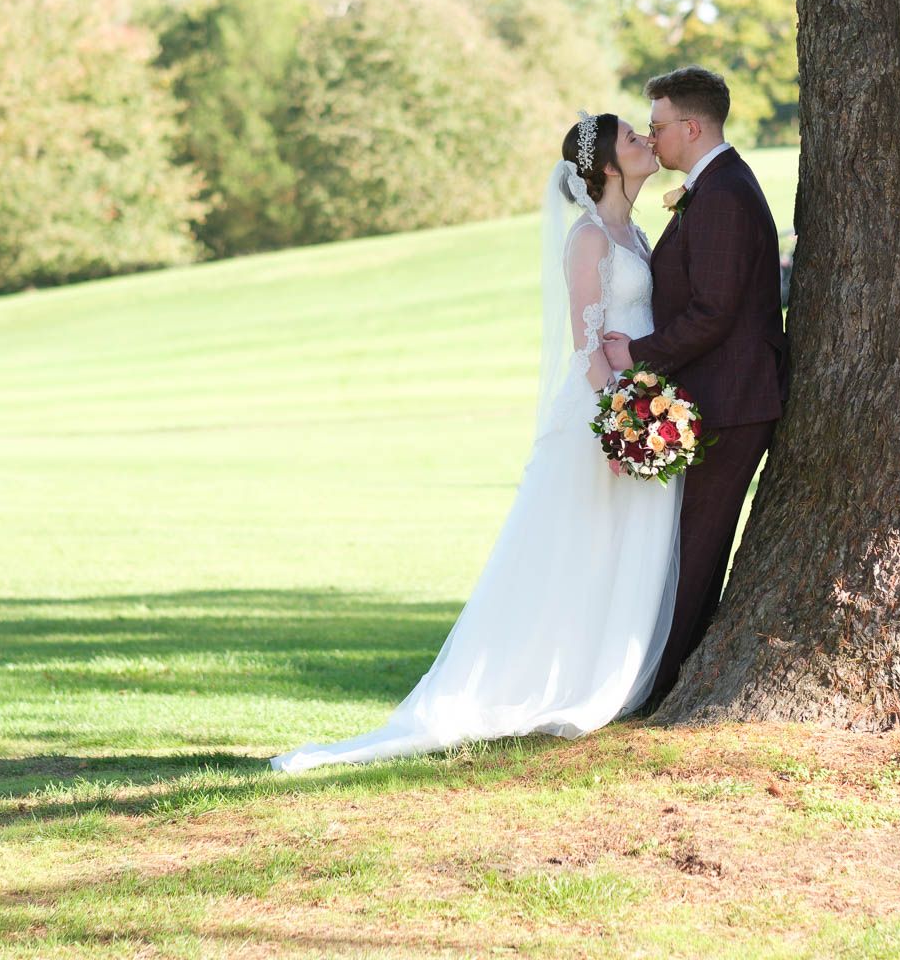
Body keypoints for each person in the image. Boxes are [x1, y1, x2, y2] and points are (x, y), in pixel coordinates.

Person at [270, 112, 682, 773]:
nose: (645, 143)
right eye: (632, 138)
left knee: (621, 544)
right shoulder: (588, 241)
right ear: (608, 165)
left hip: (640, 403)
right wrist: (624, 418)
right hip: (606, 413)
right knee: (579, 545)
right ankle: (554, 680)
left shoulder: (634, 230)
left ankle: (608, 670)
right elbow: (586, 344)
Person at [603, 66, 786, 711]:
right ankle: (667, 678)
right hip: (716, 395)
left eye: (656, 126)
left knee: (696, 547)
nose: (651, 139)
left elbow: (713, 311)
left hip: (732, 400)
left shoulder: (725, 194)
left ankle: (663, 688)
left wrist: (638, 356)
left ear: (691, 126)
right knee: (687, 544)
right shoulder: (709, 190)